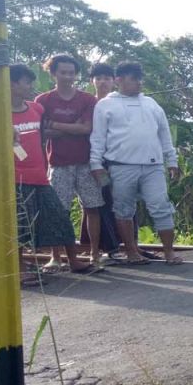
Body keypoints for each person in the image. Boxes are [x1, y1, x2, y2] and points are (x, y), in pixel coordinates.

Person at [9, 64, 96, 283]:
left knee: (59, 217)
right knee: (20, 225)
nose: (31, 86)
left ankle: (74, 260)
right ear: (11, 84)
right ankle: (20, 270)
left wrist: (65, 129)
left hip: (39, 175)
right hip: (15, 178)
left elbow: (45, 133)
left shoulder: (35, 109)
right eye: (27, 82)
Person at [89, 62, 183, 265]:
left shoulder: (151, 104)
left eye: (140, 79)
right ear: (119, 80)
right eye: (134, 79)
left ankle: (169, 252)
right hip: (120, 166)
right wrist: (95, 163)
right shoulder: (105, 104)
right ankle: (132, 252)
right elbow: (98, 137)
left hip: (153, 166)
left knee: (161, 207)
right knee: (123, 209)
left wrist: (172, 160)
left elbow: (164, 135)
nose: (139, 83)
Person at [35, 54, 105, 270]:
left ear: (76, 74)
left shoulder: (87, 100)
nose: (67, 76)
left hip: (86, 162)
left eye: (71, 72)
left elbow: (86, 128)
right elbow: (40, 133)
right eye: (63, 72)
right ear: (53, 73)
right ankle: (56, 256)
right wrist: (70, 127)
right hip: (57, 163)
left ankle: (94, 254)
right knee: (58, 211)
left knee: (92, 208)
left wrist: (55, 125)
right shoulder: (43, 101)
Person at [81, 63, 124, 260]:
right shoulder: (87, 103)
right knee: (98, 204)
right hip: (94, 161)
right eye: (98, 78)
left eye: (107, 78)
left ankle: (124, 245)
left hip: (119, 159)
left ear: (114, 81)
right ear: (92, 81)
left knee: (121, 201)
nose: (102, 82)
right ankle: (104, 248)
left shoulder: (120, 102)